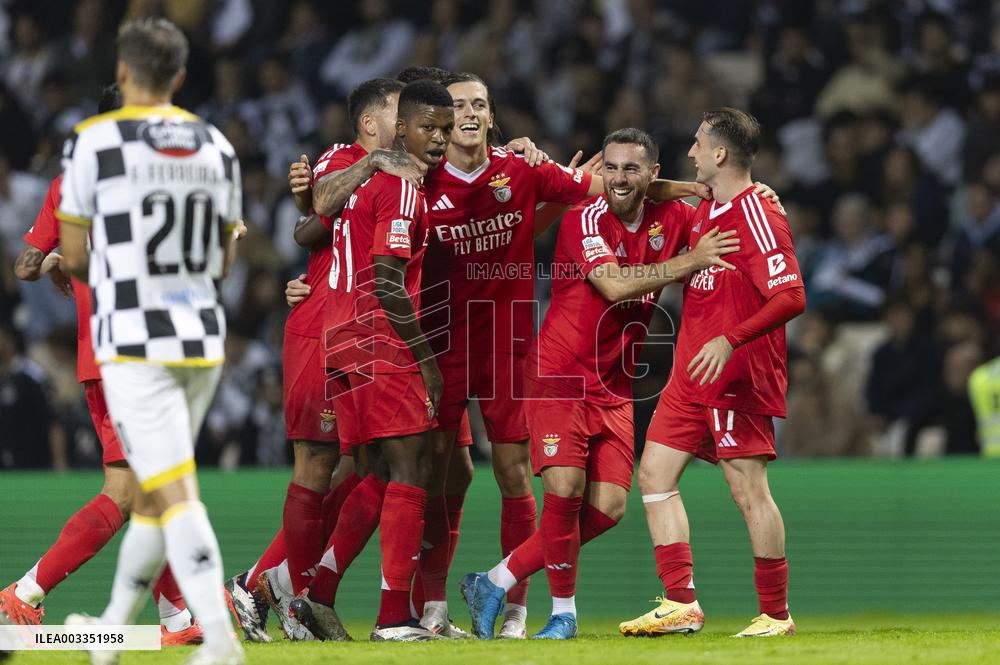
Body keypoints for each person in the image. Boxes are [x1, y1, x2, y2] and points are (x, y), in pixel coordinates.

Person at [459, 128, 740, 640]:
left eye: (631, 169)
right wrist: (690, 260)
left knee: (609, 508)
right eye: (610, 168)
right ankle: (563, 614)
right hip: (560, 375)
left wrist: (755, 194)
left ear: (653, 173)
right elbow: (611, 284)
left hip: (614, 383)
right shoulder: (584, 216)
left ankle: (495, 579)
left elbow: (721, 210)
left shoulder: (672, 216)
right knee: (565, 492)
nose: (618, 179)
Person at [58, 18, 245, 665]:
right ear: (181, 77)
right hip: (201, 338)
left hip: (137, 343)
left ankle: (219, 638)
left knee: (172, 491)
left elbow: (73, 257)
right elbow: (225, 259)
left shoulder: (95, 142)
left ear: (123, 72)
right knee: (151, 492)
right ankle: (109, 633)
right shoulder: (216, 145)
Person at [0, 84, 203, 647]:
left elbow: (25, 265)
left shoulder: (73, 184)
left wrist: (55, 259)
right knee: (128, 490)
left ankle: (175, 618)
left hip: (114, 357)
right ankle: (25, 592)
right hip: (132, 357)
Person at [620, 108, 805, 639]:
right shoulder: (706, 207)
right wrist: (692, 189)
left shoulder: (758, 215)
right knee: (654, 476)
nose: (691, 152)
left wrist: (731, 339)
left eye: (698, 143)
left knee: (748, 489)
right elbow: (643, 190)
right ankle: (681, 603)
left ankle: (776, 614)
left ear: (720, 153)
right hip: (690, 374)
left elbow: (792, 296)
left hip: (735, 373)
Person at [295, 79, 455, 643]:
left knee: (375, 473)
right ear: (400, 129)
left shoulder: (360, 179)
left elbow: (311, 225)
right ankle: (392, 617)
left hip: (340, 337)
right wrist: (426, 361)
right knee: (412, 469)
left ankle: (319, 593)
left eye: (444, 129)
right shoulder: (401, 187)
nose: (439, 139)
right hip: (379, 339)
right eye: (428, 128)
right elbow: (388, 282)